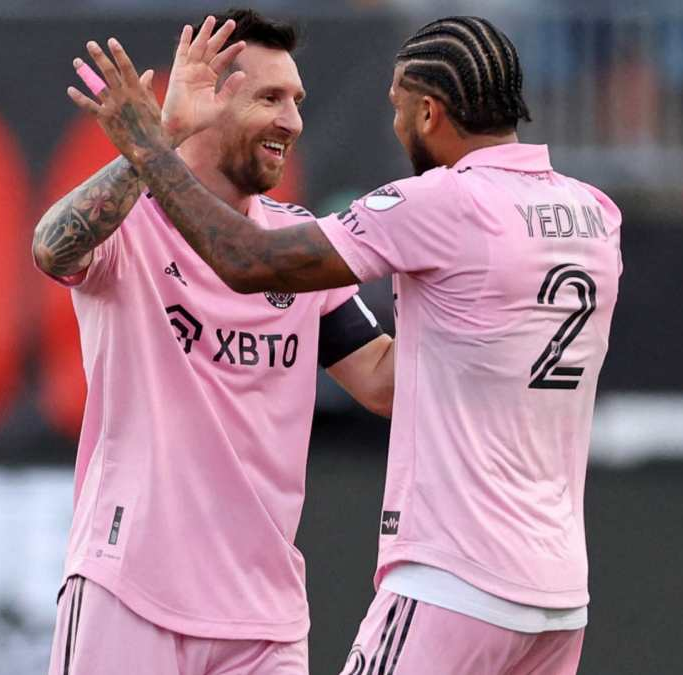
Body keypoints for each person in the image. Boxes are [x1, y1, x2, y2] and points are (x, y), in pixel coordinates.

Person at [69, 14, 622, 674]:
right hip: (558, 591)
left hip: (452, 574)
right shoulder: (594, 212)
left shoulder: (443, 201)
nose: (293, 120)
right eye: (272, 98)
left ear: (427, 112)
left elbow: (250, 261)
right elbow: (388, 379)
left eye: (396, 109)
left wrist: (150, 145)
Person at [35, 11, 394, 675]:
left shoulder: (294, 243)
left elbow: (380, 379)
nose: (293, 121)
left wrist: (493, 326)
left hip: (264, 619)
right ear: (208, 101)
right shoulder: (132, 223)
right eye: (270, 98)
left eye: (297, 101)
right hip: (131, 591)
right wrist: (158, 140)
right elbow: (51, 247)